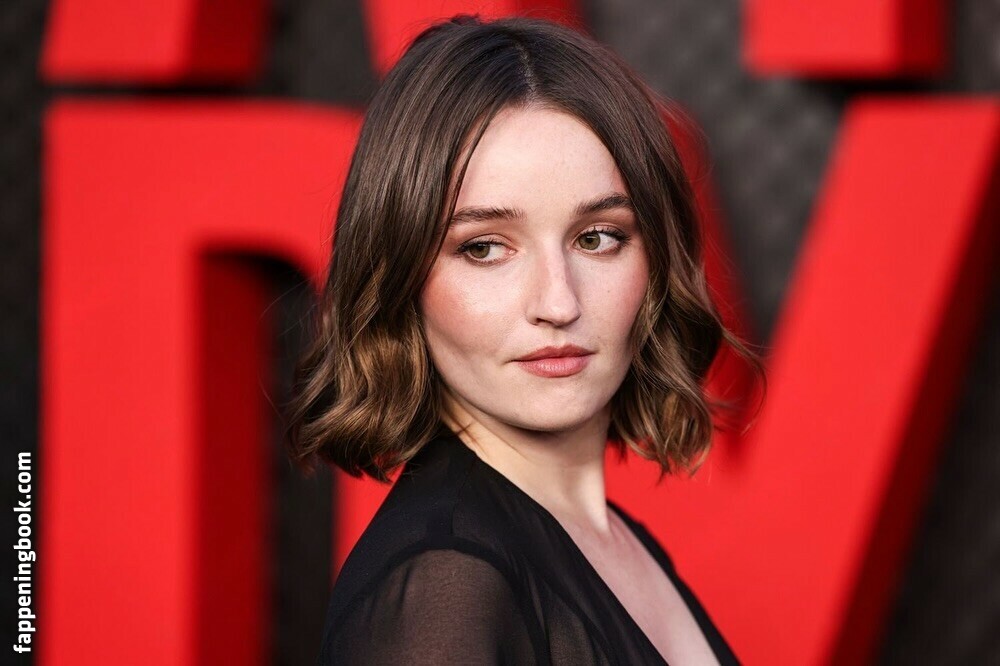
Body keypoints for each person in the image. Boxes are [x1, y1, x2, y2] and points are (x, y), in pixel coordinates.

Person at [285, 13, 765, 665]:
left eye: (598, 238)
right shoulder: (445, 584)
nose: (558, 303)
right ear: (400, 274)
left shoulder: (614, 541)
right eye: (484, 248)